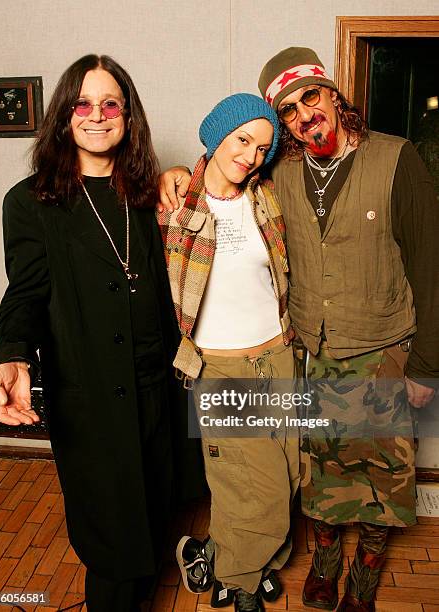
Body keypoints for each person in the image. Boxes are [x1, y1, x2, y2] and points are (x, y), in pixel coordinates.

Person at [158, 47, 439, 611]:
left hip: (381, 349)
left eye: (310, 97)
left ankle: (362, 578)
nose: (303, 114)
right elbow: (219, 172)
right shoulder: (278, 174)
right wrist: (175, 174)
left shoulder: (396, 158)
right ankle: (323, 564)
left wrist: (427, 363)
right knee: (317, 471)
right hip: (307, 350)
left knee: (383, 478)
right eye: (287, 110)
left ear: (332, 94)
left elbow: (432, 265)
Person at [0, 54, 183, 612]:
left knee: (150, 529)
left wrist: (181, 173)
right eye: (83, 104)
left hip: (156, 396)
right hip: (92, 403)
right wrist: (10, 356)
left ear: (128, 115)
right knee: (111, 547)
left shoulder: (150, 196)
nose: (97, 115)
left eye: (110, 103)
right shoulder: (31, 203)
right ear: (64, 116)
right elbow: (24, 295)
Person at [157, 93, 300, 612]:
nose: (251, 156)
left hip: (277, 356)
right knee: (249, 485)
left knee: (285, 474)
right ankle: (236, 581)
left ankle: (222, 553)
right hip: (221, 365)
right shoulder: (176, 206)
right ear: (218, 136)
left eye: (263, 147)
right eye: (242, 140)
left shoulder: (266, 197)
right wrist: (167, 174)